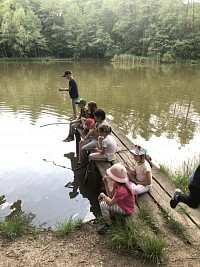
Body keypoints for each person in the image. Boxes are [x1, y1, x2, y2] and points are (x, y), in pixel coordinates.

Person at [98, 163, 135, 235]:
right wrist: (106, 184)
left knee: (102, 204)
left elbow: (111, 202)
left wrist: (103, 195)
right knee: (102, 199)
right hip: (120, 203)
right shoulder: (117, 184)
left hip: (126, 209)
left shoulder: (121, 190)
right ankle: (109, 215)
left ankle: (108, 224)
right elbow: (111, 196)